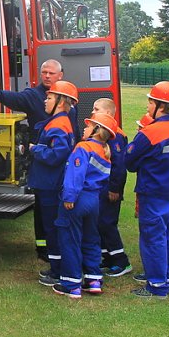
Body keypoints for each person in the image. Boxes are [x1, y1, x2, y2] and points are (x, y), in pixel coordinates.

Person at [0, 59, 80, 262]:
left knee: (55, 208)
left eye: (51, 73)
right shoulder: (34, 95)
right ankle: (43, 247)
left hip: (54, 161)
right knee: (42, 207)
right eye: (44, 72)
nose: (47, 76)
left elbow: (73, 135)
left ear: (60, 75)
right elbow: (15, 99)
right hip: (43, 163)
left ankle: (55, 250)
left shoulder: (67, 105)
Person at [124, 81, 169, 298]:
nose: (147, 106)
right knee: (168, 236)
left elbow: (129, 161)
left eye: (150, 102)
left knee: (153, 239)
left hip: (152, 193)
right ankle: (168, 279)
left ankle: (157, 286)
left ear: (160, 105)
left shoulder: (150, 133)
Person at [53, 112, 116, 299]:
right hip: (93, 200)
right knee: (91, 239)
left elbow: (75, 175)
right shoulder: (105, 152)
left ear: (97, 130)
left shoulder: (83, 147)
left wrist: (69, 197)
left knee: (70, 239)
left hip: (78, 199)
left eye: (89, 125)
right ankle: (93, 279)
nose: (85, 127)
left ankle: (71, 284)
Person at [28, 80, 78, 287]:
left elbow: (57, 155)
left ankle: (57, 271)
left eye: (49, 97)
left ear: (60, 101)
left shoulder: (58, 124)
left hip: (50, 185)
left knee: (52, 228)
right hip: (49, 183)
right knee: (52, 227)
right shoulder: (58, 121)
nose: (45, 100)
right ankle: (57, 268)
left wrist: (34, 149)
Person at [88, 98, 131, 277]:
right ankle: (108, 257)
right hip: (102, 188)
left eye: (96, 109)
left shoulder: (115, 135)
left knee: (107, 223)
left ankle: (121, 261)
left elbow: (119, 165)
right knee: (100, 222)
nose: (92, 112)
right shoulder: (104, 132)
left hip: (110, 189)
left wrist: (115, 188)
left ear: (108, 114)